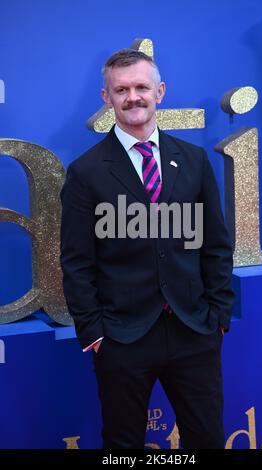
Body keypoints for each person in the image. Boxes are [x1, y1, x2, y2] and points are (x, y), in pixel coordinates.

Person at [60, 49, 235, 449]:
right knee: (123, 446)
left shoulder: (193, 160)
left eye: (141, 87)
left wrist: (218, 314)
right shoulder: (86, 172)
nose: (132, 97)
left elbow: (215, 244)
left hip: (194, 330)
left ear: (160, 91)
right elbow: (76, 260)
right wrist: (94, 332)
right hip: (122, 338)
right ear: (107, 98)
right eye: (121, 89)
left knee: (206, 438)